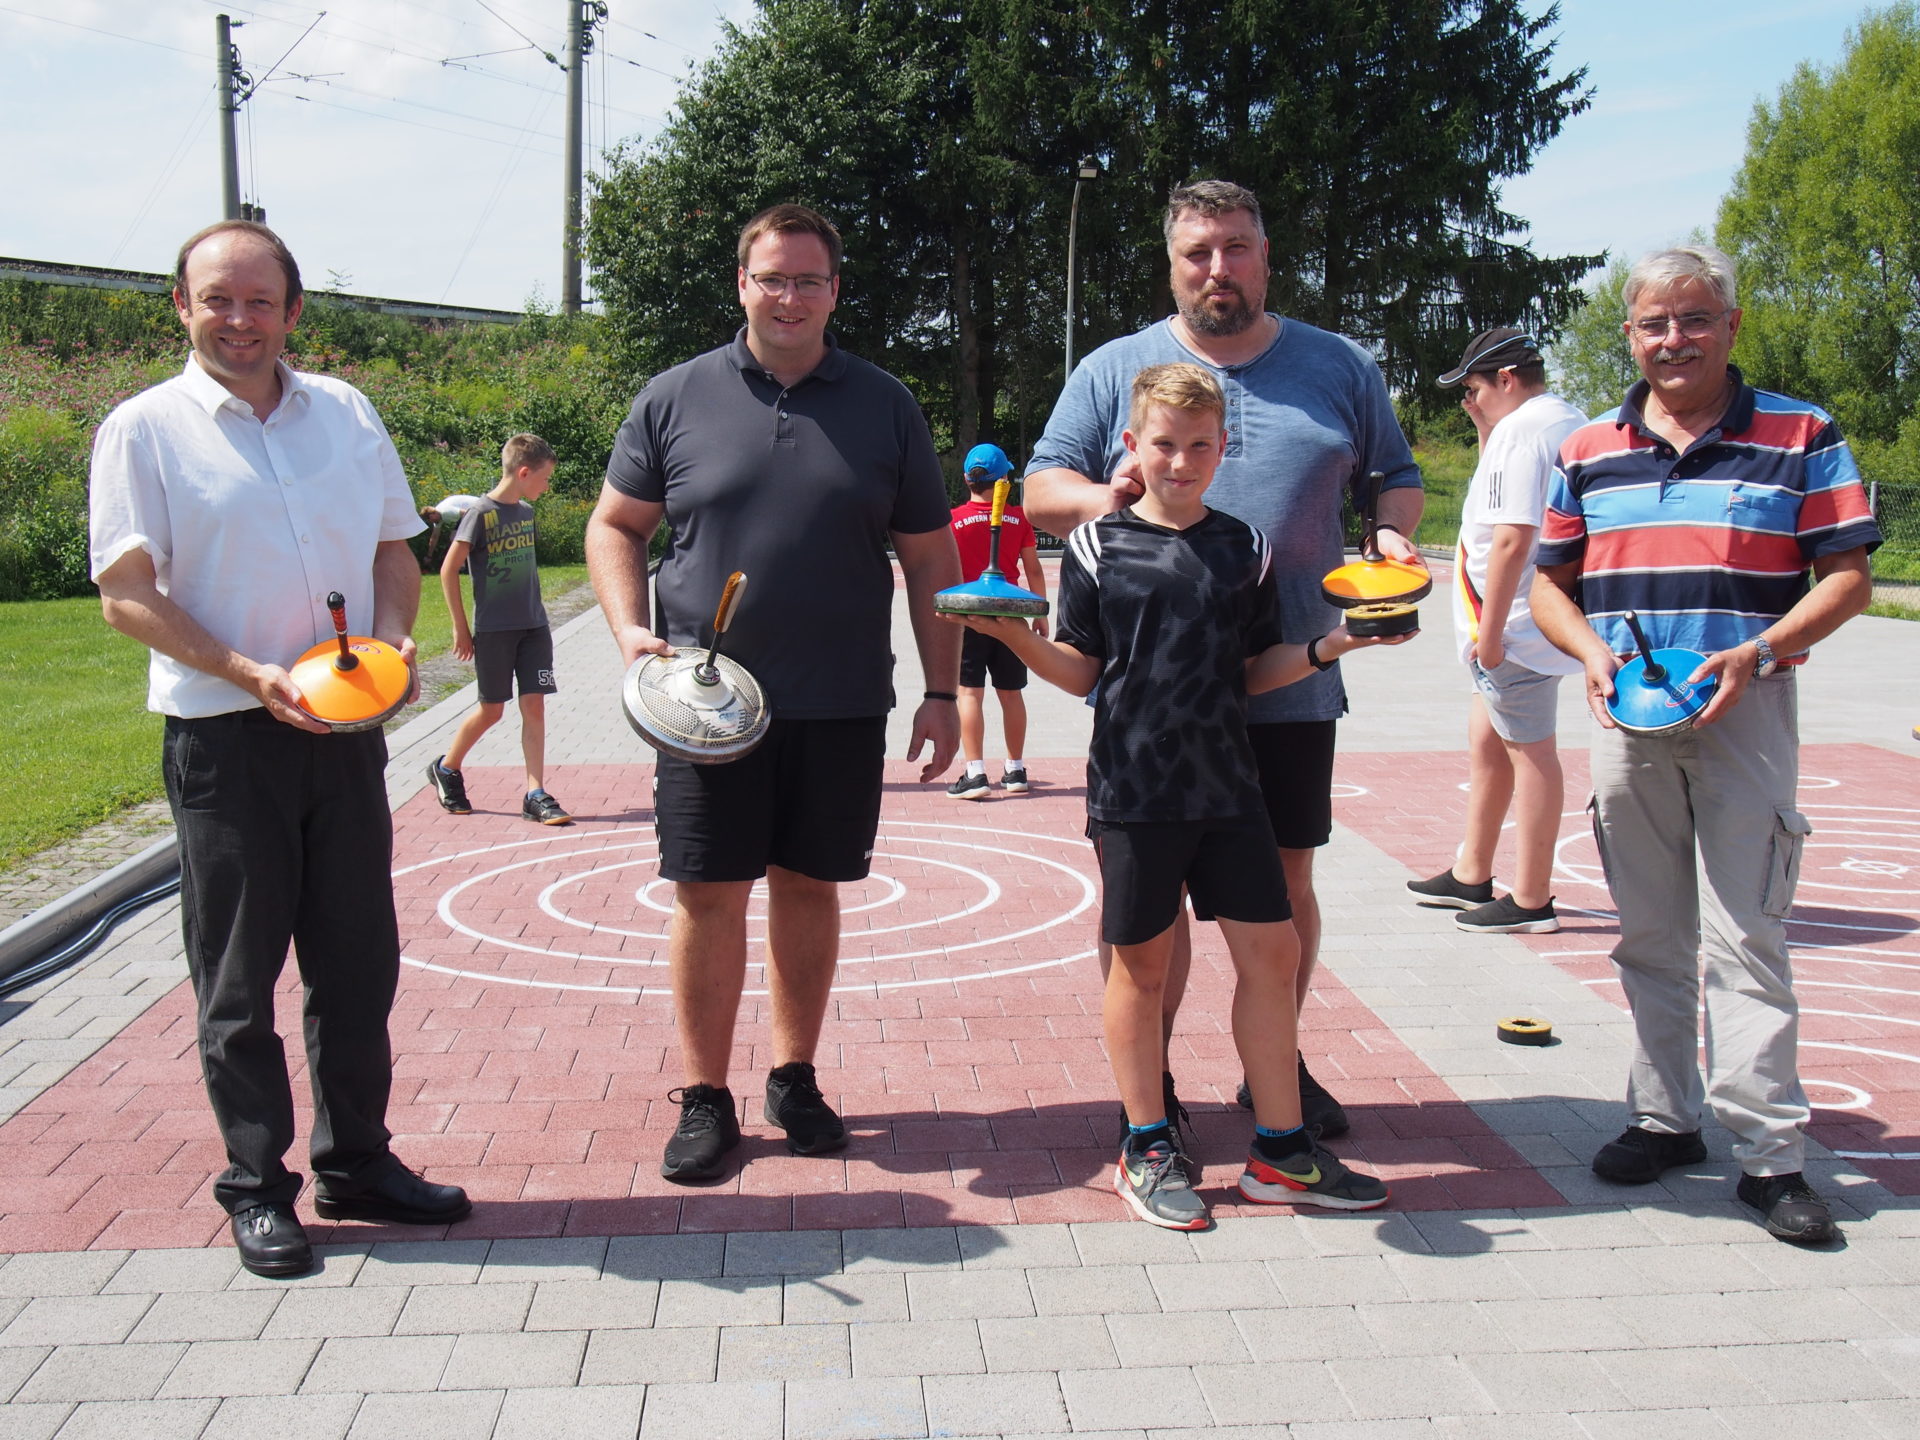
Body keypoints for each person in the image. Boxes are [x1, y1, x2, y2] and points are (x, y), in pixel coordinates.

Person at [89, 220, 471, 1279]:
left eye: (261, 301)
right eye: (217, 298)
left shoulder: (344, 413)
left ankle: (358, 1163)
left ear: (293, 311)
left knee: (358, 966)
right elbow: (126, 594)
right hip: (227, 741)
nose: (240, 319)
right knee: (239, 977)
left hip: (345, 731)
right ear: (181, 305)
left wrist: (396, 642)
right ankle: (259, 1188)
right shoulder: (146, 429)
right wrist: (246, 671)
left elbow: (398, 548)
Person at [952, 363, 1395, 1228]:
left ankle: (1280, 1151)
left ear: (1223, 449)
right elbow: (1083, 669)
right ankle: (1146, 1142)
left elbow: (1251, 669)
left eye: (1199, 445)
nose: (1181, 460)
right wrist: (1010, 635)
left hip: (1233, 786)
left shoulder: (1245, 546)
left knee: (1271, 957)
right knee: (1142, 967)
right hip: (1136, 788)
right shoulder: (1094, 544)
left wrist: (1335, 642)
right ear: (1132, 446)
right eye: (1164, 443)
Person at [1024, 179, 1423, 1138]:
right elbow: (1042, 488)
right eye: (1199, 251)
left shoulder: (1336, 364)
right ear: (1172, 261)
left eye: (1236, 247)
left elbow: (1395, 479)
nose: (1218, 268)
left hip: (1287, 673)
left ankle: (1272, 1063)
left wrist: (1392, 542)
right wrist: (1107, 502)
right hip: (1159, 697)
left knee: (1283, 893)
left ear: (1264, 253)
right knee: (1152, 920)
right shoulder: (1116, 366)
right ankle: (1148, 1087)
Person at [586, 203, 962, 1183]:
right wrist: (631, 632)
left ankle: (793, 1077)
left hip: (841, 698)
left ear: (836, 291)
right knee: (707, 894)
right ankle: (705, 1095)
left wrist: (942, 687)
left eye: (808, 280)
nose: (789, 296)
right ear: (741, 284)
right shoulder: (675, 397)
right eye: (771, 278)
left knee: (810, 887)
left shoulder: (884, 404)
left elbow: (930, 557)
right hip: (705, 706)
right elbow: (614, 527)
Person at [1530, 245, 1881, 1244]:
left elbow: (1848, 575)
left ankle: (1770, 1157)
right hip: (1627, 721)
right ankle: (1664, 1116)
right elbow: (1551, 583)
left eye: (1693, 319)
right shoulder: (1591, 447)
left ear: (1731, 325)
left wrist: (1761, 653)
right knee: (1648, 936)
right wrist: (1591, 657)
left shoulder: (1801, 432)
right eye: (1653, 323)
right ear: (1631, 335)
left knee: (1748, 938)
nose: (1673, 339)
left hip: (1746, 713)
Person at [1408, 328, 1586, 933]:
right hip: (1527, 621)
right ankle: (1471, 871)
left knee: (1531, 755)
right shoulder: (1559, 420)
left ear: (1506, 379)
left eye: (1475, 389)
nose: (1470, 401)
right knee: (1488, 739)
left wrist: (1488, 631)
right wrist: (1486, 431)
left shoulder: (1523, 432)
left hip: (1511, 624)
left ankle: (1532, 899)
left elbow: (1511, 537)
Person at [426, 432, 572, 826]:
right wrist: (460, 627)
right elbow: (447, 569)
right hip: (494, 631)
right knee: (492, 710)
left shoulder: (526, 512)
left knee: (534, 704)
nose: (547, 485)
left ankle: (535, 793)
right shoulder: (480, 513)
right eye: (544, 478)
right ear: (523, 472)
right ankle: (447, 767)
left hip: (534, 627)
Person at [945, 442, 1049, 801]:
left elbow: (947, 571)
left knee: (969, 693)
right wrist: (1041, 614)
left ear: (966, 479)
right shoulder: (1019, 518)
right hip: (1012, 611)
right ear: (1005, 478)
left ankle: (975, 773)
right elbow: (1033, 568)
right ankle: (1015, 768)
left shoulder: (954, 520)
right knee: (1011, 692)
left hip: (970, 613)